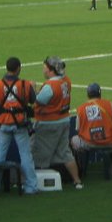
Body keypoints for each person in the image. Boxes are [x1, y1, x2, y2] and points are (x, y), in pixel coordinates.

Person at [31, 56, 84, 189]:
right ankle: (77, 181)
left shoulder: (50, 85)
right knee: (65, 152)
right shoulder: (66, 80)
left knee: (32, 151)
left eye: (44, 68)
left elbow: (38, 101)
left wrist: (33, 89)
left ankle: (29, 182)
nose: (43, 70)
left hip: (48, 122)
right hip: (64, 120)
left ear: (51, 70)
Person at [0, 57, 38, 195]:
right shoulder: (25, 84)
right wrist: (33, 88)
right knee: (25, 155)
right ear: (18, 68)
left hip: (3, 123)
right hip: (19, 123)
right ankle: (31, 187)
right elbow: (33, 101)